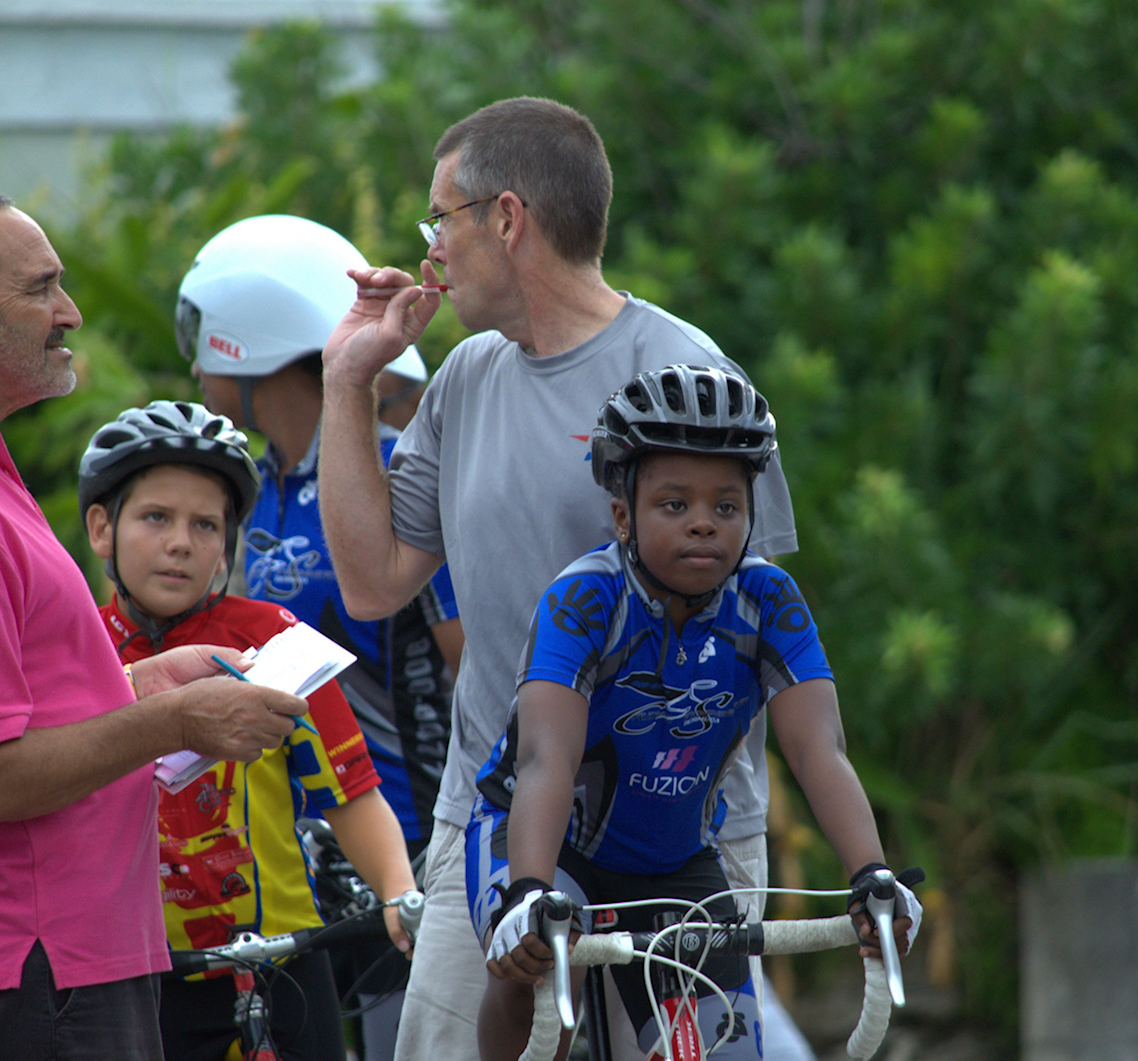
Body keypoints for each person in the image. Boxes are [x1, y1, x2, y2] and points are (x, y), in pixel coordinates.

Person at [314, 97, 800, 1060]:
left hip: (680, 836)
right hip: (490, 826)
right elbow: (372, 583)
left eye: (439, 219)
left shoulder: (685, 377)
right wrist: (346, 381)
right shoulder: (464, 377)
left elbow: (758, 629)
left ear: (506, 218)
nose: (430, 252)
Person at [0, 190, 307, 1061]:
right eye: (41, 288)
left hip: (43, 967)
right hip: (26, 969)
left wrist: (134, 686)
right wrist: (173, 722)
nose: (70, 313)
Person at [471, 366, 921, 1061]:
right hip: (541, 841)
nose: (704, 521)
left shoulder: (768, 598)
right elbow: (545, 759)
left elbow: (818, 750)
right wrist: (527, 891)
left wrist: (872, 874)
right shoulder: (584, 599)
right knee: (535, 987)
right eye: (674, 504)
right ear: (623, 514)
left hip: (673, 861)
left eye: (727, 505)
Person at [174, 214, 460, 1061]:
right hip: (286, 854)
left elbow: (471, 659)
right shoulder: (248, 491)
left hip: (409, 838)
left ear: (244, 340)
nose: (193, 362)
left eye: (200, 336)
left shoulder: (401, 468)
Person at [79, 400, 418, 1061]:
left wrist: (399, 893)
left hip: (281, 966)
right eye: (155, 517)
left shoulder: (271, 637)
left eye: (206, 524)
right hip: (137, 976)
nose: (182, 541)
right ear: (100, 527)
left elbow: (349, 790)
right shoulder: (73, 647)